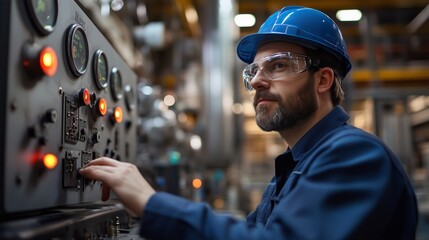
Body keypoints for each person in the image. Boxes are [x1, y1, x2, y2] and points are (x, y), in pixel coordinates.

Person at [79, 6, 418, 239]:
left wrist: (151, 203)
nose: (256, 81)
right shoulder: (296, 165)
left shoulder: (355, 156)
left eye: (279, 66)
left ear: (323, 80)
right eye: (253, 71)